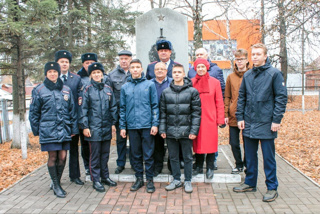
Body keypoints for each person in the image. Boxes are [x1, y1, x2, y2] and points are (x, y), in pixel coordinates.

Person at [233, 43, 287, 202]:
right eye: (253, 54)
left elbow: (281, 98)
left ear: (265, 56)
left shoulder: (274, 74)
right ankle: (250, 182)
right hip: (249, 122)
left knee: (268, 157)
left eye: (258, 54)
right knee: (249, 156)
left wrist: (276, 119)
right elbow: (241, 97)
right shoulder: (248, 75)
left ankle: (272, 187)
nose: (255, 57)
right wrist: (240, 117)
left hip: (267, 122)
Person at [29, 62, 78, 198]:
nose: (52, 74)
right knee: (53, 157)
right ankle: (56, 185)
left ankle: (56, 181)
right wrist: (37, 131)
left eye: (55, 72)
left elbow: (72, 111)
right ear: (46, 73)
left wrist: (73, 128)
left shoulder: (66, 89)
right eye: (50, 72)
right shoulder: (39, 90)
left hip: (64, 129)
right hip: (48, 130)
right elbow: (34, 113)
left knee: (62, 157)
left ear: (58, 73)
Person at [159, 64, 201, 193]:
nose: (177, 74)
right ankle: (176, 179)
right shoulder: (166, 92)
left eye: (179, 72)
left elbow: (196, 113)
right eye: (174, 72)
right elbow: (163, 113)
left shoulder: (192, 91)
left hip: (186, 131)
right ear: (172, 74)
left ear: (184, 74)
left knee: (188, 157)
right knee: (173, 157)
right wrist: (162, 129)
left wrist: (194, 131)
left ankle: (188, 180)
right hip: (171, 131)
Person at [119, 59, 159, 193]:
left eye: (137, 67)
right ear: (129, 70)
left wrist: (155, 123)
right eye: (133, 67)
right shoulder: (125, 87)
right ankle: (139, 179)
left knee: (148, 154)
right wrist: (122, 126)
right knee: (135, 154)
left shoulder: (150, 84)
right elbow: (122, 108)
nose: (135, 69)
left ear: (142, 69)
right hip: (132, 125)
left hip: (147, 125)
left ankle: (149, 180)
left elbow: (155, 105)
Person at [78, 62, 118, 192]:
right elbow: (83, 109)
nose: (96, 75)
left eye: (99, 73)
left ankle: (105, 177)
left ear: (102, 74)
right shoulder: (87, 89)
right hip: (93, 128)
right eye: (94, 73)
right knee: (94, 155)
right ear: (91, 75)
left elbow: (113, 108)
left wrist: (113, 123)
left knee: (105, 154)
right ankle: (96, 180)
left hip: (106, 127)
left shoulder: (108, 89)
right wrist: (85, 126)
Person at [188, 47, 226, 170]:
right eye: (198, 67)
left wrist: (220, 119)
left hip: (210, 117)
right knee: (198, 142)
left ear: (207, 67)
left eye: (203, 67)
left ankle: (210, 167)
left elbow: (219, 101)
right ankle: (199, 165)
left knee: (210, 142)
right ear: (195, 68)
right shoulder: (191, 82)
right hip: (196, 118)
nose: (200, 69)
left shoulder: (215, 82)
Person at [55, 50, 84, 186]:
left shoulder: (76, 78)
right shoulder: (52, 78)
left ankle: (75, 176)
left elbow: (79, 101)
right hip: (56, 121)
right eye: (62, 62)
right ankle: (55, 179)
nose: (64, 64)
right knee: (56, 152)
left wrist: (77, 121)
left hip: (72, 120)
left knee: (73, 150)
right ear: (57, 63)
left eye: (66, 62)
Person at [224, 49, 250, 174]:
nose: (239, 62)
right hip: (234, 115)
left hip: (248, 115)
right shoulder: (230, 77)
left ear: (247, 60)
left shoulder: (251, 74)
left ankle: (247, 164)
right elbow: (227, 96)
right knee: (233, 143)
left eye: (242, 59)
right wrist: (226, 113)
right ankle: (238, 164)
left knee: (248, 143)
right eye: (237, 59)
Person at [108, 50, 133, 174]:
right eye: (121, 58)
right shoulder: (112, 75)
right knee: (121, 140)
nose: (124, 61)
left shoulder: (136, 73)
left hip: (133, 114)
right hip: (119, 114)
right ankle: (121, 163)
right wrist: (113, 119)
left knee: (134, 140)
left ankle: (134, 163)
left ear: (130, 59)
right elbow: (110, 98)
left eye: (126, 58)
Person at [77, 52, 98, 181]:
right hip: (84, 117)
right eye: (87, 63)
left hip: (97, 118)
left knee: (96, 146)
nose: (89, 65)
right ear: (83, 64)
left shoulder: (101, 76)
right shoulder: (78, 78)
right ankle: (87, 167)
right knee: (85, 145)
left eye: (92, 63)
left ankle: (96, 168)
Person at [150, 62, 172, 176]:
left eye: (162, 69)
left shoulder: (172, 82)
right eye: (157, 69)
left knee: (172, 144)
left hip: (170, 118)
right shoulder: (149, 84)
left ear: (166, 70)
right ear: (154, 71)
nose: (159, 71)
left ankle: (171, 166)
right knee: (157, 144)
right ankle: (157, 166)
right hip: (155, 118)